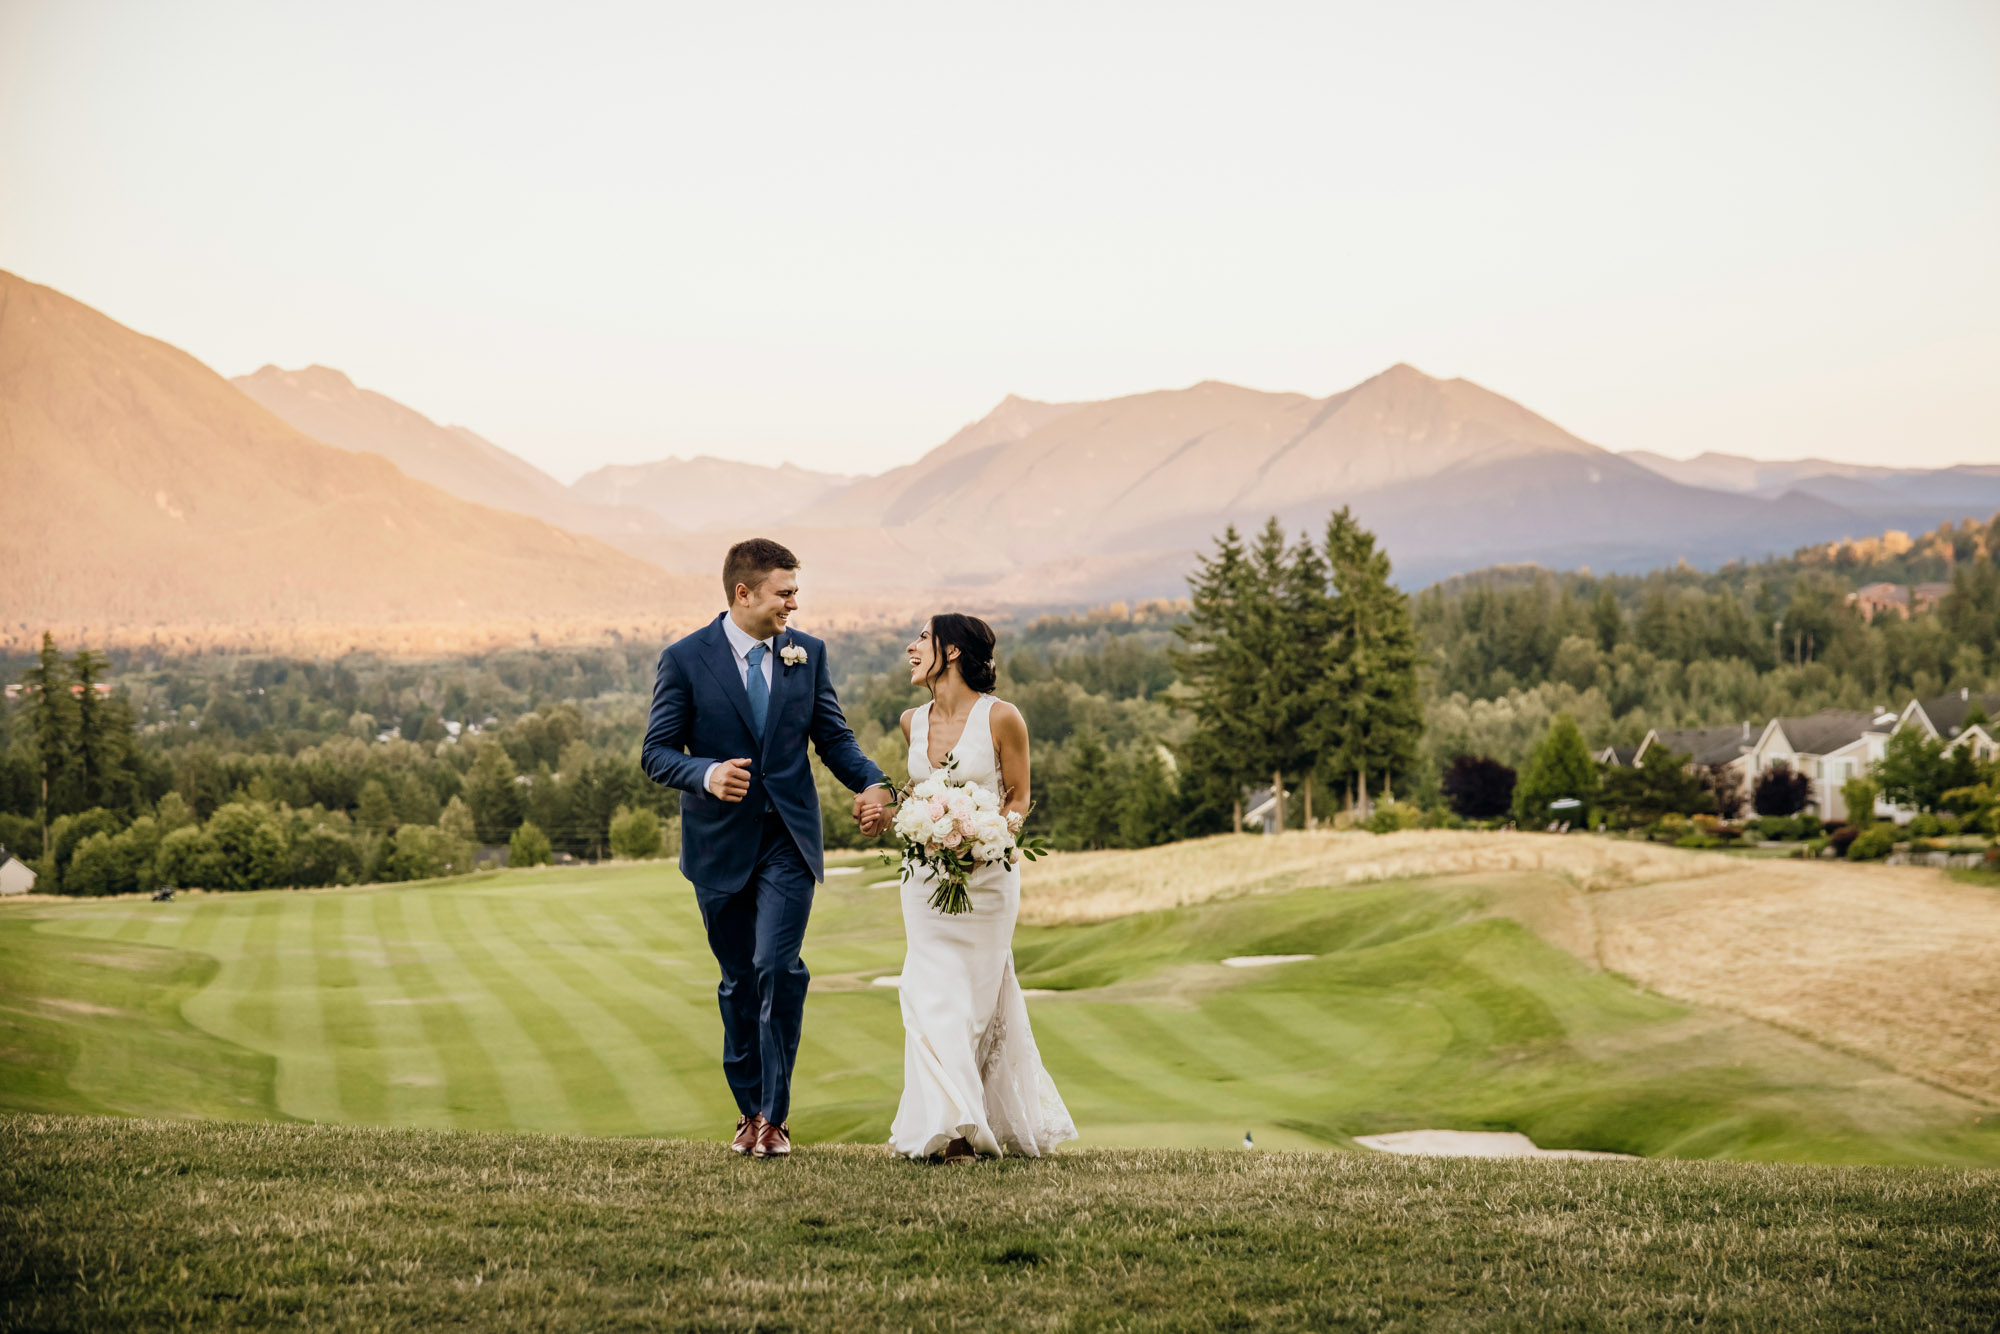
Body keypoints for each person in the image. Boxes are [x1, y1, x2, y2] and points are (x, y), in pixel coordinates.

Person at [641, 538, 891, 1160]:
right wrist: (704, 773)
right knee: (738, 982)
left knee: (777, 969)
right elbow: (656, 752)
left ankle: (774, 1118)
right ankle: (747, 1109)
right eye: (785, 593)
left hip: (788, 840)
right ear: (743, 594)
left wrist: (875, 784)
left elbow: (834, 739)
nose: (795, 605)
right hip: (717, 849)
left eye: (796, 592)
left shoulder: (809, 656)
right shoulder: (684, 659)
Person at [866, 613, 1075, 1161]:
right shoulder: (912, 721)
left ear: (952, 651)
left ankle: (962, 1122)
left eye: (921, 639)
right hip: (924, 881)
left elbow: (1018, 800)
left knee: (972, 1004)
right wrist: (890, 812)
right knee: (926, 992)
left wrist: (984, 838)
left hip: (987, 881)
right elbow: (916, 792)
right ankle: (951, 1130)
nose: (910, 648)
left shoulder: (1003, 718)